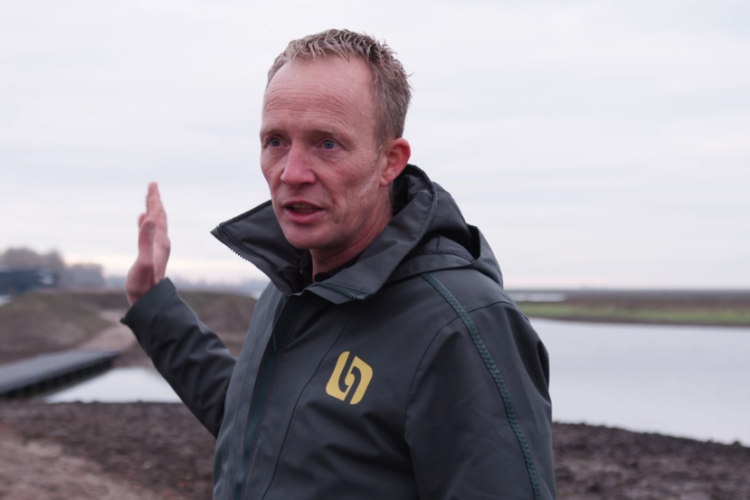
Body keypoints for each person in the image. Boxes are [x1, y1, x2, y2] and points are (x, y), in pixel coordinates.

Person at [122, 29, 556, 500]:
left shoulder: (463, 327)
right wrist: (153, 305)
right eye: (275, 141)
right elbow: (256, 428)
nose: (291, 172)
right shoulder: (291, 288)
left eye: (326, 143)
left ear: (390, 161)